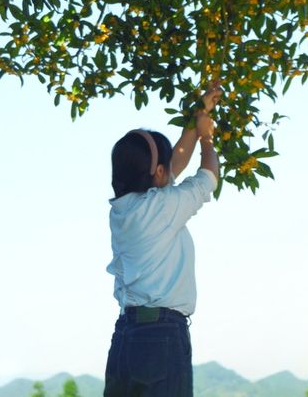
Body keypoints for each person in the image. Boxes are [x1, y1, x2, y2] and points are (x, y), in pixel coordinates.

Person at [103, 82, 222, 397]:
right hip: (161, 337)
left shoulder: (123, 210)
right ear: (156, 172)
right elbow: (207, 176)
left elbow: (171, 168)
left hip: (126, 338)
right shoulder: (162, 207)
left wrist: (197, 122)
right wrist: (207, 137)